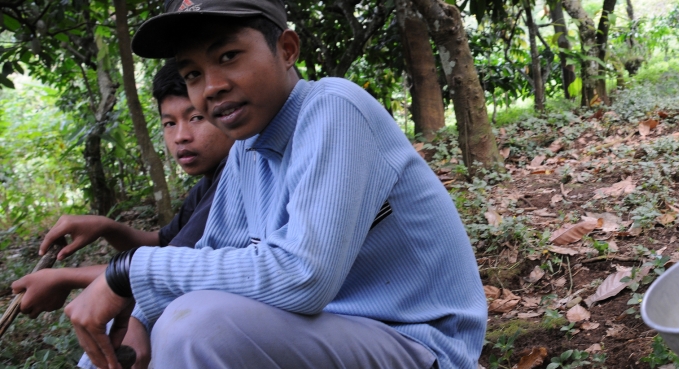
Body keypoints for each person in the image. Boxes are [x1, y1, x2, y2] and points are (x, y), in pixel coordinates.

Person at [64, 0, 488, 368]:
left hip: (417, 343)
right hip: (327, 331)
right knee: (140, 327)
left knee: (197, 328)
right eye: (193, 74)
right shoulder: (247, 148)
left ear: (286, 49)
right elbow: (215, 256)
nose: (211, 87)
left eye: (229, 56)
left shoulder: (333, 108)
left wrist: (131, 270)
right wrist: (140, 317)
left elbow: (303, 277)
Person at [12, 60, 235, 369]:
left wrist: (65, 277)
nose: (181, 136)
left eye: (195, 118)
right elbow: (160, 243)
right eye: (169, 123)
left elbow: (170, 266)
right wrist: (106, 227)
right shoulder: (207, 184)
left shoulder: (234, 177)